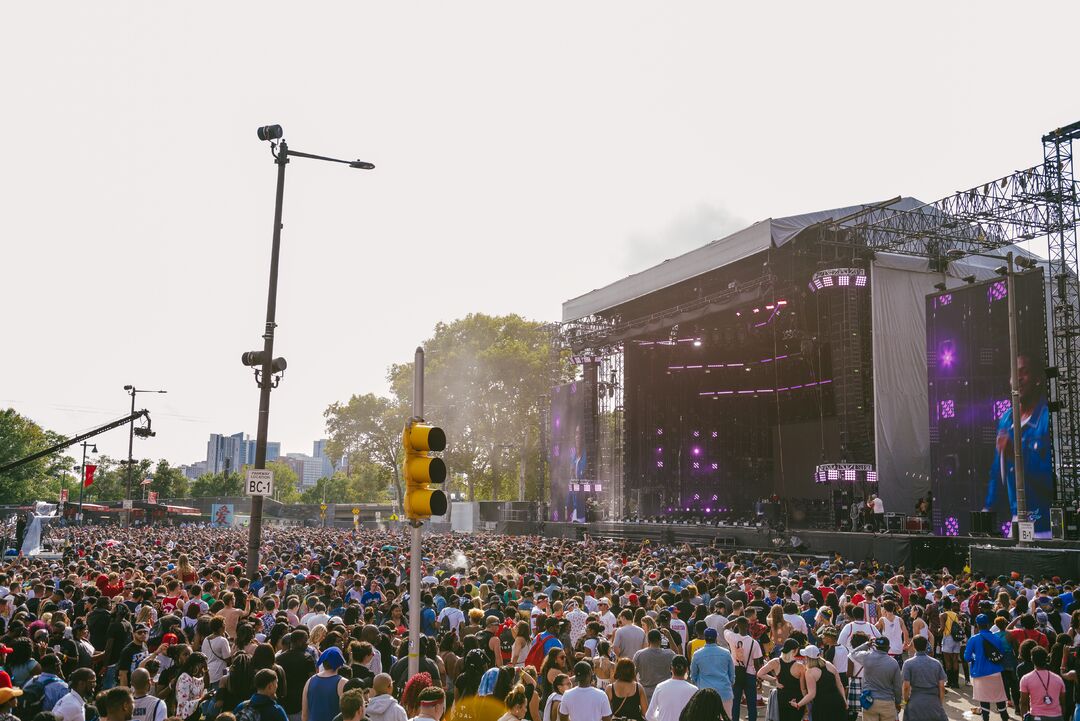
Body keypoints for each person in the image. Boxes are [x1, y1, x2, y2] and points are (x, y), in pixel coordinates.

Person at [984, 353, 1054, 533]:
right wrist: (988, 508)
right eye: (1014, 374)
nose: (1018, 379)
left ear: (1038, 379)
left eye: (1024, 372)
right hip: (1017, 522)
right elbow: (995, 471)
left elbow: (1052, 479)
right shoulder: (1006, 419)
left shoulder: (1048, 419)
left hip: (1045, 527)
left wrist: (1016, 454)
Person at [964, 613, 1010, 721]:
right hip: (996, 671)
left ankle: (985, 718)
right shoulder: (996, 637)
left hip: (980, 673)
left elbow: (966, 657)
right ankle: (1004, 717)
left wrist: (975, 659)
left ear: (977, 625)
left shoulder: (973, 639)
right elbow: (1001, 653)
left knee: (984, 699)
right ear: (988, 624)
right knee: (999, 698)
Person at [849, 637, 902, 721]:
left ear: (875, 646)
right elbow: (897, 686)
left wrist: (866, 644)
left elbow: (853, 653)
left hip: (869, 701)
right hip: (887, 701)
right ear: (888, 648)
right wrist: (898, 702)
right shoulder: (893, 663)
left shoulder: (867, 656)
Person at [686, 629, 734, 718]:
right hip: (724, 691)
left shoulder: (697, 654)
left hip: (705, 693)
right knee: (727, 717)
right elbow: (732, 674)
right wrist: (729, 684)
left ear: (705, 638)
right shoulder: (726, 653)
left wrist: (698, 686)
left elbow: (693, 675)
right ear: (716, 638)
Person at [789, 645, 845, 720]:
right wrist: (844, 700)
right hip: (838, 702)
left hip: (822, 706)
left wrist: (798, 704)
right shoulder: (829, 664)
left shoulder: (810, 672)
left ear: (808, 658)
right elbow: (840, 685)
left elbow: (811, 694)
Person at [723, 617, 761, 721]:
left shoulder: (732, 637)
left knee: (735, 702)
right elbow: (757, 663)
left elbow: (725, 628)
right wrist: (759, 677)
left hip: (736, 673)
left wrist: (735, 620)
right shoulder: (754, 643)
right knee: (751, 702)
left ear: (737, 626)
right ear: (749, 627)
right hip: (750, 674)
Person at [901, 636, 947, 721]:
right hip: (933, 702)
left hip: (915, 702)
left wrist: (906, 701)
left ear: (914, 646)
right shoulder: (936, 663)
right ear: (926, 646)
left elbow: (906, 687)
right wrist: (939, 703)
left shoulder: (908, 663)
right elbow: (942, 687)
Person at [757, 639, 804, 721]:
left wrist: (774, 680)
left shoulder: (776, 662)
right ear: (794, 651)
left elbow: (760, 673)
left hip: (781, 697)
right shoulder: (799, 666)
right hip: (796, 698)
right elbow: (803, 687)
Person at [1019, 646, 1065, 721]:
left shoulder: (1026, 679)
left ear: (1032, 659)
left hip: (1036, 717)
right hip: (1057, 717)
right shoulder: (1058, 679)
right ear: (1046, 659)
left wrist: (1024, 717)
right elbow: (1063, 703)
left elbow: (1023, 703)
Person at [301, 647, 347, 721]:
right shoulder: (342, 682)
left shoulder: (310, 681)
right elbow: (349, 714)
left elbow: (304, 714)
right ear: (340, 664)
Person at [644, 656, 696, 721]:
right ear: (686, 670)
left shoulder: (660, 687)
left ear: (671, 669)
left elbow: (649, 715)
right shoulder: (694, 690)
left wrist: (659, 717)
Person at [633, 630, 674, 701]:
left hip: (646, 692)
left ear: (648, 640)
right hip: (664, 691)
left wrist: (638, 688)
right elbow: (678, 655)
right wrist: (669, 637)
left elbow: (632, 674)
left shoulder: (639, 654)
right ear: (660, 640)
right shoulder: (669, 654)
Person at [176, 651, 209, 720]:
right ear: (194, 665)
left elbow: (206, 685)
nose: (202, 670)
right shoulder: (184, 679)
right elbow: (183, 705)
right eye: (202, 667)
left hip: (196, 714)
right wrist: (202, 699)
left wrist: (206, 670)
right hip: (186, 717)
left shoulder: (195, 678)